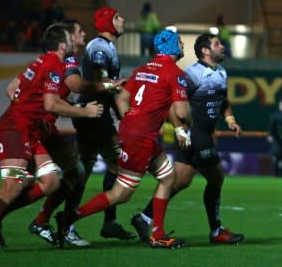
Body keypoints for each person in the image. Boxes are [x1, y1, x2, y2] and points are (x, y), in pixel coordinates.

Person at [0, 25, 104, 255]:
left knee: (51, 182)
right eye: (70, 36)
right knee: (12, 187)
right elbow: (51, 104)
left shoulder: (39, 62)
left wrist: (28, 110)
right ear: (62, 45)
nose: (75, 39)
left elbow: (11, 90)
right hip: (16, 129)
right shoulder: (55, 64)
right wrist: (85, 111)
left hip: (29, 128)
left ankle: (3, 221)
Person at [0, 19, 123, 249]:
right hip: (37, 128)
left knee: (71, 172)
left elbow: (11, 89)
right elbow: (75, 84)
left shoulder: (52, 59)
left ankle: (37, 221)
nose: (82, 35)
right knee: (39, 180)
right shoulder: (69, 58)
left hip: (42, 127)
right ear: (68, 38)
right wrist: (105, 88)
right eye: (79, 31)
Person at [57, 28, 191, 249]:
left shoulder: (141, 70)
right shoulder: (175, 74)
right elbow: (183, 112)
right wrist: (184, 126)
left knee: (168, 177)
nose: (183, 46)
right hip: (141, 138)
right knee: (121, 194)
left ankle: (157, 231)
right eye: (180, 43)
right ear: (173, 47)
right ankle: (70, 217)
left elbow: (122, 99)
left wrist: (132, 118)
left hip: (133, 132)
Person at [130, 32, 245, 245]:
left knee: (179, 181)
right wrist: (179, 129)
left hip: (201, 135)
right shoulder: (192, 75)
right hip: (196, 135)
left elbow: (223, 99)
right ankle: (216, 231)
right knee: (216, 177)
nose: (222, 46)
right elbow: (173, 101)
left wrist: (230, 118)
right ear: (205, 50)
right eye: (217, 44)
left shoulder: (221, 72)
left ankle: (144, 217)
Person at [71, 6, 136, 240]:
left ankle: (106, 222)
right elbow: (101, 76)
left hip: (98, 113)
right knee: (107, 168)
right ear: (108, 23)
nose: (123, 19)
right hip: (93, 113)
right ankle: (69, 222)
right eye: (118, 17)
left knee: (96, 169)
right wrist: (119, 91)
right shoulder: (99, 47)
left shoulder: (107, 46)